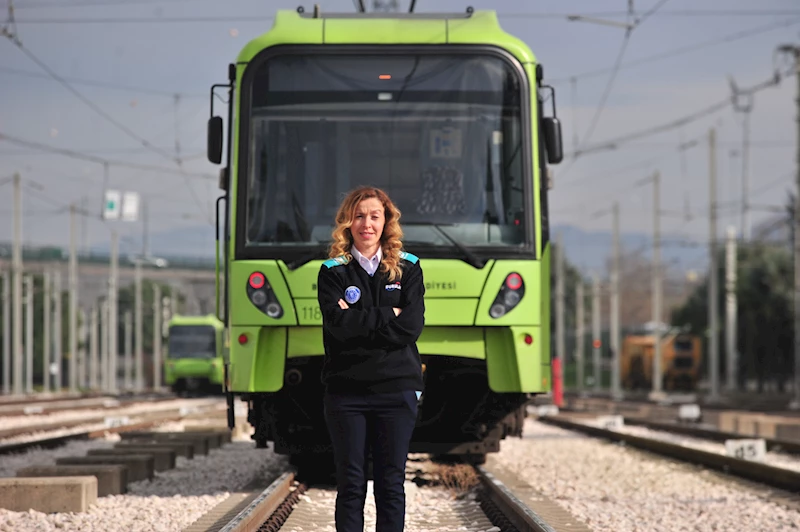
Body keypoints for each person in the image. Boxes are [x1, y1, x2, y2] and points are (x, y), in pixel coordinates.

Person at [317, 186, 425, 532]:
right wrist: (387, 313)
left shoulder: (408, 268)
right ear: (348, 222)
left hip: (397, 392)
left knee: (390, 484)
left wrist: (359, 317)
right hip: (346, 394)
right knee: (351, 485)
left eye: (374, 216)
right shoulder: (332, 271)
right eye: (359, 216)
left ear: (386, 221)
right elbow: (338, 328)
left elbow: (410, 327)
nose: (367, 223)